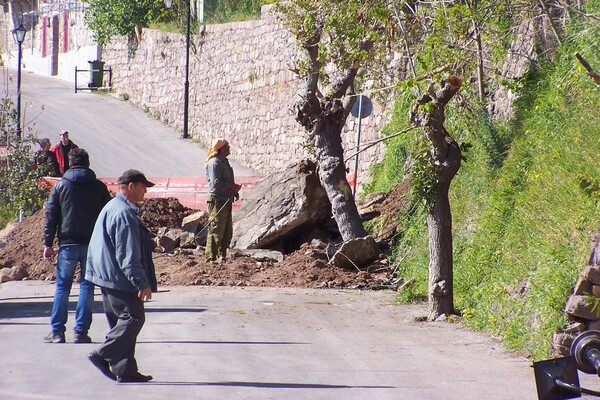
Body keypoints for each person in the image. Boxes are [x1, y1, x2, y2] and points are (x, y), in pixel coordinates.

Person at [85, 169, 157, 383]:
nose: (146, 191)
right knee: (134, 318)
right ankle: (102, 354)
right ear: (131, 186)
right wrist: (141, 282)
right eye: (143, 186)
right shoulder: (124, 213)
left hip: (106, 275)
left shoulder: (114, 206)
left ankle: (125, 370)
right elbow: (127, 254)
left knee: (121, 322)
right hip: (118, 278)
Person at [43, 148, 112, 344]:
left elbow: (51, 216)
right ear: (88, 163)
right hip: (91, 244)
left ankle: (57, 332)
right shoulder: (99, 187)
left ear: (70, 163)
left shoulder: (61, 186)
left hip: (67, 243)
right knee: (87, 287)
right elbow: (106, 216)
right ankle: (80, 332)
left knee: (62, 287)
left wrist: (48, 243)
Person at [205, 138, 241, 262]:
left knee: (226, 231)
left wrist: (234, 192)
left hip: (226, 200)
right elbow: (216, 183)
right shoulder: (214, 163)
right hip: (217, 200)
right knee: (215, 229)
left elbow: (227, 180)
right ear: (221, 149)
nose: (229, 149)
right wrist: (232, 187)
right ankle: (211, 258)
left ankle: (222, 256)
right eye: (226, 147)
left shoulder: (224, 162)